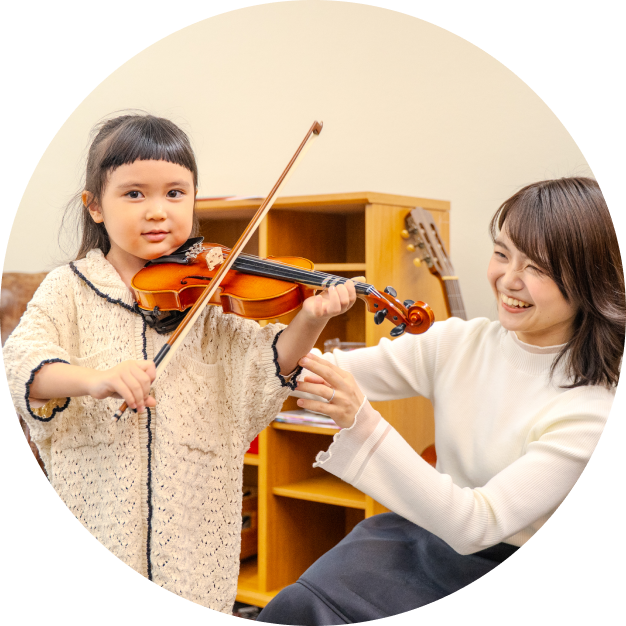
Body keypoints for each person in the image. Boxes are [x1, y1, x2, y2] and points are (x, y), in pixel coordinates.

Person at [2, 113, 357, 613]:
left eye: (175, 193)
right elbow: (23, 362)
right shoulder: (70, 288)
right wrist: (94, 380)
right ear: (95, 206)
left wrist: (311, 319)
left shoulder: (209, 297)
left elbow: (264, 367)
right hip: (98, 514)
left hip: (194, 532)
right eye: (134, 193)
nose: (157, 211)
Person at [256, 177, 623, 624]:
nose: (508, 280)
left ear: (588, 280)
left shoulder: (592, 410)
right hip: (422, 534)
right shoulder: (458, 341)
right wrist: (306, 321)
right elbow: (303, 374)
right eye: (502, 254)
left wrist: (362, 421)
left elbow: (478, 525)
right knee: (299, 605)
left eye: (537, 269)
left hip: (490, 556)